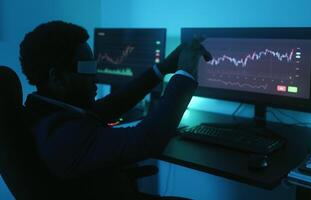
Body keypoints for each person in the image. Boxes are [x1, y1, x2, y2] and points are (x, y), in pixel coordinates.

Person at [20, 21, 211, 199]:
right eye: (88, 68)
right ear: (57, 78)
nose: (95, 75)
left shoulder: (48, 110)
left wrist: (163, 68)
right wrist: (185, 73)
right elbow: (147, 140)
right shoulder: (60, 135)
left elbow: (110, 106)